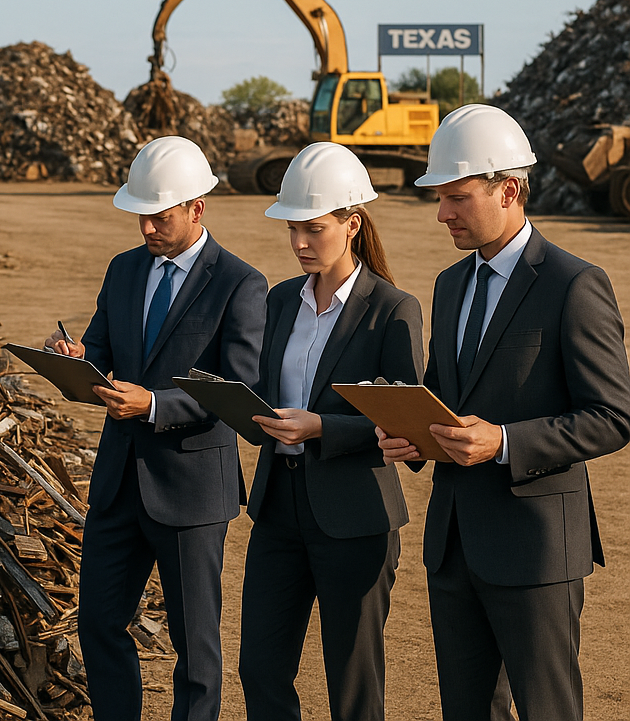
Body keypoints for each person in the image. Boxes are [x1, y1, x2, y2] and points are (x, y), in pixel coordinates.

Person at [378, 104, 630, 721]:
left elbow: (614, 415)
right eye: (440, 199)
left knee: (547, 711)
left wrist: (505, 443)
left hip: (536, 547)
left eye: (457, 197)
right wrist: (414, 435)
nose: (442, 214)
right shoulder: (450, 284)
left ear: (509, 190)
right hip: (455, 543)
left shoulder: (574, 284)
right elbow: (448, 394)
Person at [44, 135, 267, 721]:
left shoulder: (240, 284)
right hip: (118, 484)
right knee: (97, 622)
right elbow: (97, 348)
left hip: (192, 490)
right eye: (140, 214)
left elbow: (239, 392)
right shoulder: (124, 269)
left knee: (195, 646)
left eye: (158, 215)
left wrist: (153, 405)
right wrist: (70, 355)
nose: (146, 226)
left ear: (197, 208)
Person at [237, 142, 423, 721]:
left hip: (355, 515)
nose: (298, 243)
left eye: (313, 229)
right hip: (277, 510)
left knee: (352, 678)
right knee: (260, 667)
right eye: (292, 229)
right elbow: (272, 390)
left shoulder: (394, 309)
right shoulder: (280, 300)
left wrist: (323, 428)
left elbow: (410, 422)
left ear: (352, 223)